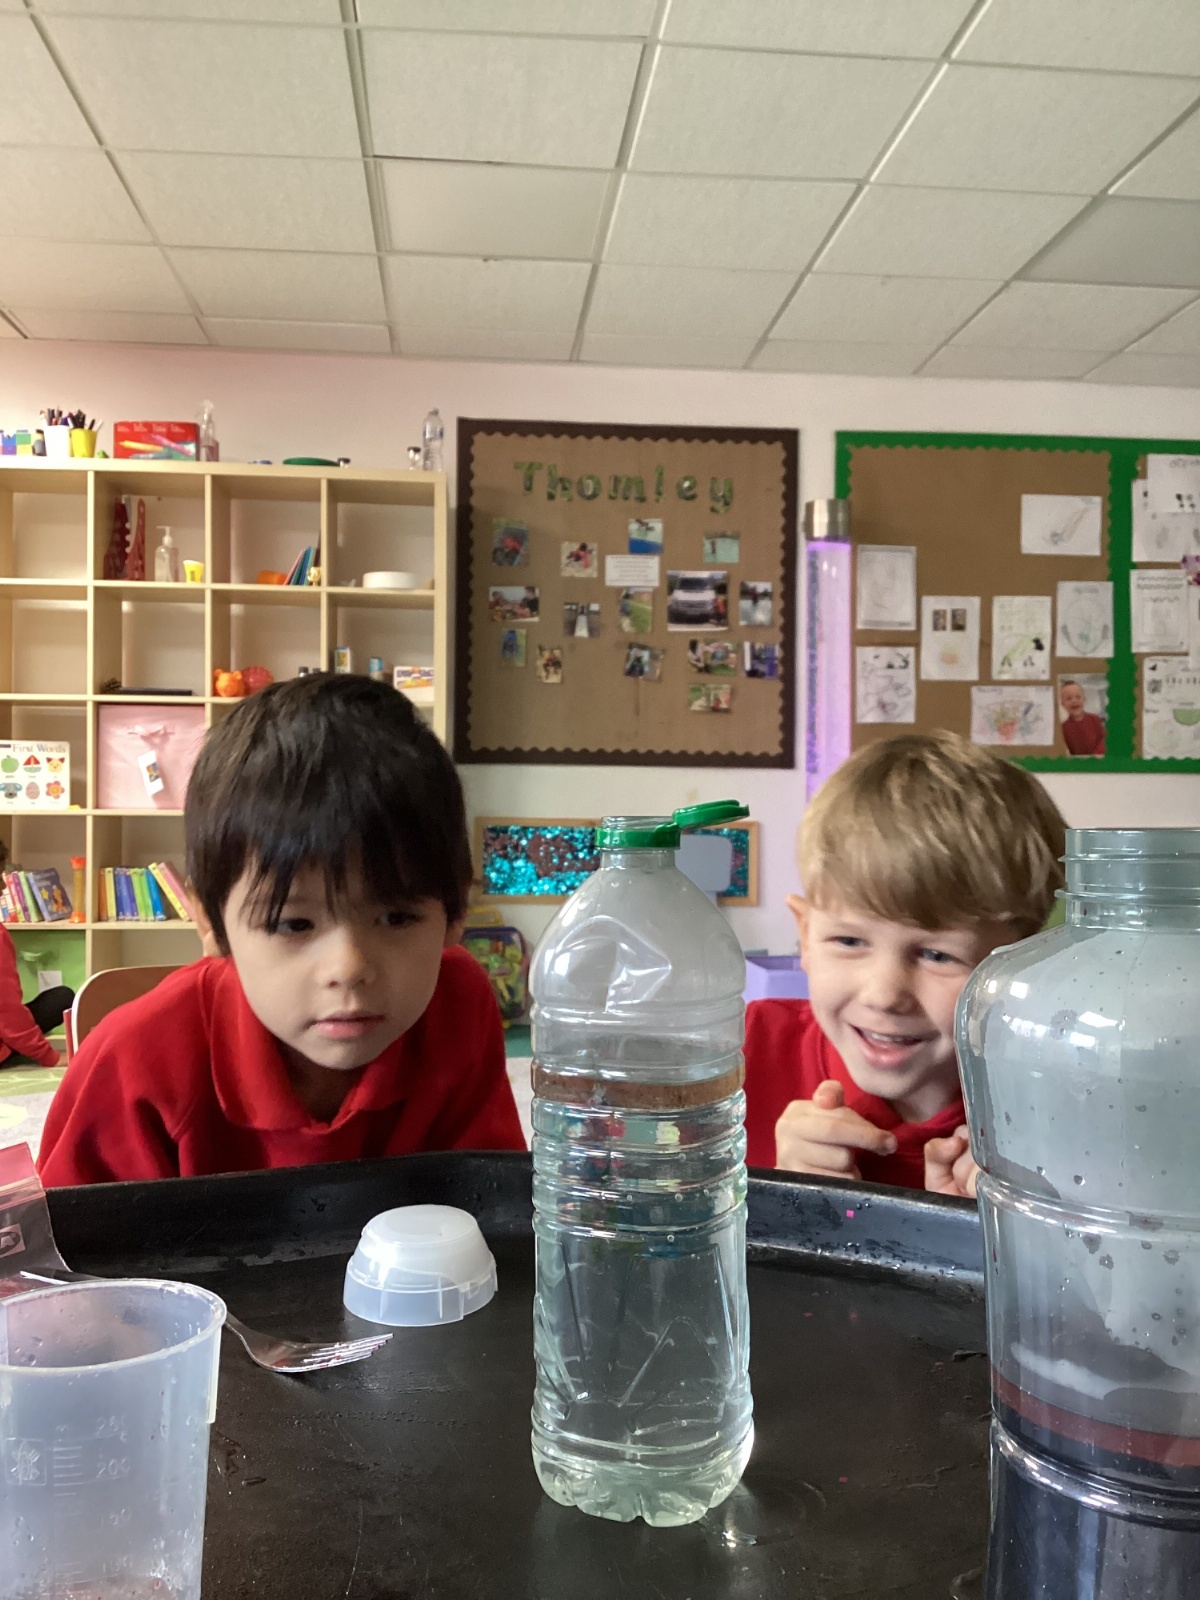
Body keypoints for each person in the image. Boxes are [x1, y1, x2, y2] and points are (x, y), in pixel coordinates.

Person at [39, 675, 524, 1186]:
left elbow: (493, 1204)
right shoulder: (134, 1059)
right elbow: (62, 1236)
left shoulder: (458, 1003)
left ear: (455, 912)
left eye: (397, 917)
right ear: (209, 921)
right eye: (293, 923)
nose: (349, 967)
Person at [743, 732, 1066, 1198]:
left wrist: (985, 1227)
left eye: (937, 955)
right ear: (805, 936)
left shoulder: (1056, 1113)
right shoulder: (738, 1058)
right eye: (849, 940)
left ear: (1027, 969)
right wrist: (777, 1195)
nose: (884, 995)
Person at [1059, 678, 1106, 757]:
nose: (1074, 701)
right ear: (1062, 703)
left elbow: (1103, 739)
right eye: (1069, 698)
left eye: (1078, 697)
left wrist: (1096, 756)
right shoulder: (1063, 727)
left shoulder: (1095, 719)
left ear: (1084, 699)